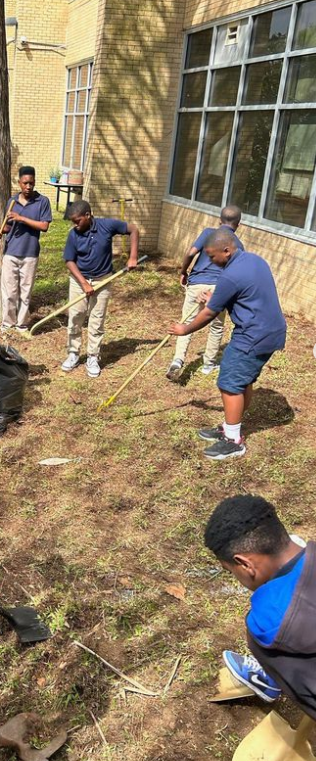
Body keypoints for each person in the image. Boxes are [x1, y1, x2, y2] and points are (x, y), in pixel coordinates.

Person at [169, 229, 286, 460]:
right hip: (268, 331)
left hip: (254, 335)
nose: (210, 262)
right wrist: (215, 298)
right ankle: (230, 426)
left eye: (212, 257)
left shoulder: (230, 276)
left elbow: (209, 314)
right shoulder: (254, 259)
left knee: (229, 383)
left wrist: (185, 329)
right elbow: (242, 294)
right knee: (241, 380)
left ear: (226, 250)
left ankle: (234, 441)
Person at [204, 494, 315, 712]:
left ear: (245, 564)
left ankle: (272, 679)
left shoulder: (266, 622)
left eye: (231, 571)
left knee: (272, 652)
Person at [61, 200, 139, 378]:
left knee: (96, 319)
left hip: (103, 280)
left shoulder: (106, 226)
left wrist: (133, 256)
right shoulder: (73, 234)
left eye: (78, 220)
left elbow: (133, 229)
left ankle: (92, 357)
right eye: (73, 221)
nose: (75, 224)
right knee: (76, 316)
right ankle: (73, 353)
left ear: (88, 216)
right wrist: (84, 283)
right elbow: (69, 261)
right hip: (79, 280)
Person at [166, 205, 245, 381]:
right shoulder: (238, 245)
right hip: (219, 288)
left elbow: (191, 253)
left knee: (186, 321)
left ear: (219, 220)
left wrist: (183, 271)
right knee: (216, 327)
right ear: (238, 224)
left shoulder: (209, 233)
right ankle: (208, 364)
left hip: (196, 284)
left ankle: (178, 360)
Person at [0, 165, 52, 332]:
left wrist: (21, 218)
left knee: (25, 293)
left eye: (31, 183)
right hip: (10, 252)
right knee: (9, 292)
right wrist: (0, 230)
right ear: (19, 183)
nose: (28, 187)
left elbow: (44, 226)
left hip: (30, 254)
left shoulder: (43, 202)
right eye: (25, 183)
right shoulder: (12, 202)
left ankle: (22, 325)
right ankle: (7, 324)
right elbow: (8, 226)